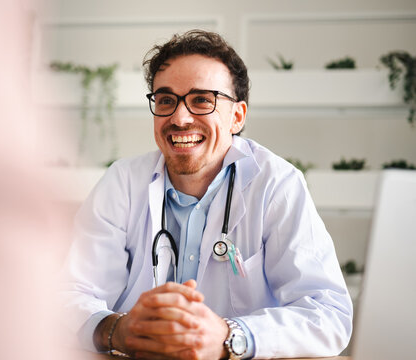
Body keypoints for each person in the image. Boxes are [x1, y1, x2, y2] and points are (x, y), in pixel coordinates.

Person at [61, 30, 352, 359]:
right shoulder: (122, 182)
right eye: (166, 100)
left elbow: (327, 314)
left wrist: (230, 337)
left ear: (237, 116)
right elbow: (70, 294)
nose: (179, 118)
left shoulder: (277, 185)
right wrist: (117, 330)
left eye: (202, 100)